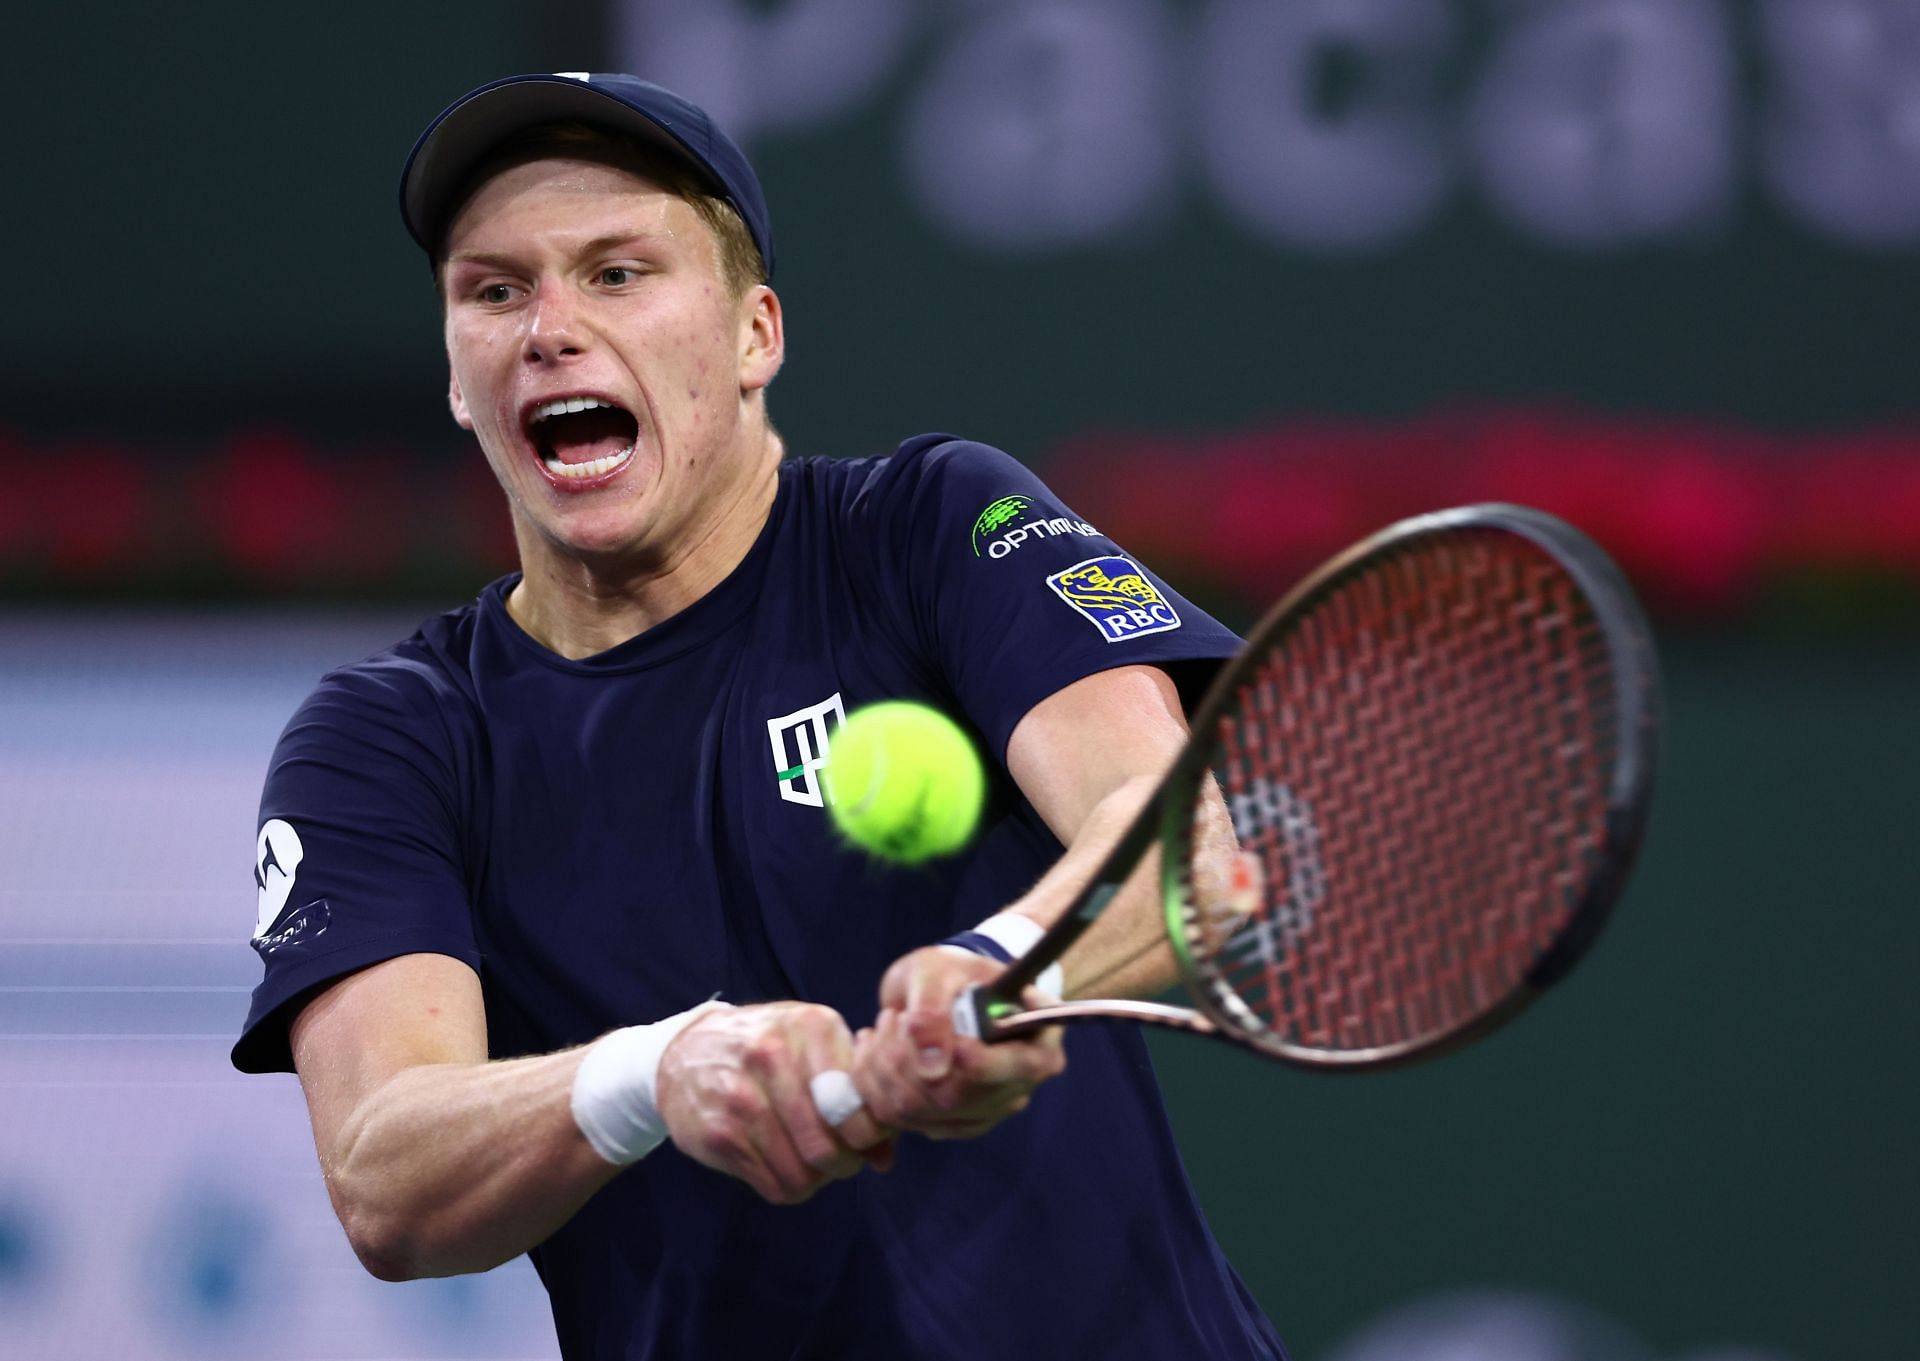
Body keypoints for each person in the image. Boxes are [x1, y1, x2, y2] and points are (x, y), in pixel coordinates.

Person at [234, 71, 1287, 1360]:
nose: (549, 329)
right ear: (458, 377)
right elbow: (386, 1175)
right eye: (494, 290)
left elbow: (1188, 852)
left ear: (754, 335)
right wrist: (658, 1075)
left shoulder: (929, 528)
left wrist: (1003, 970)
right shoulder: (394, 738)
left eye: (618, 272)